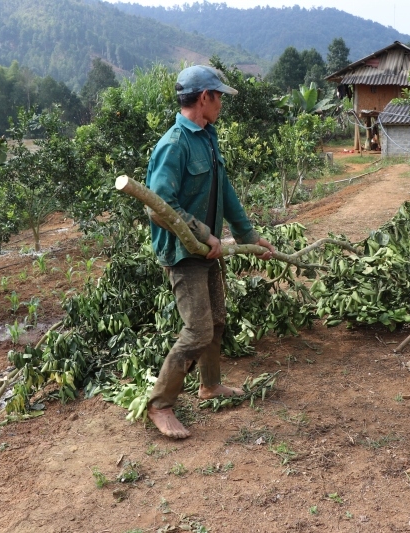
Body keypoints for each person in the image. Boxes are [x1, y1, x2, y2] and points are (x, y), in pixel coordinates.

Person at [145, 65, 275, 439]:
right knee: (198, 329)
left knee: (216, 320)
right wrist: (203, 232)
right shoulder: (174, 145)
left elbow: (226, 192)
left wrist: (249, 235)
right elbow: (158, 206)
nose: (221, 104)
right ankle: (161, 405)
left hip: (208, 252)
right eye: (219, 97)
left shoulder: (207, 136)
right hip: (184, 254)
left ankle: (209, 385)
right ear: (204, 98)